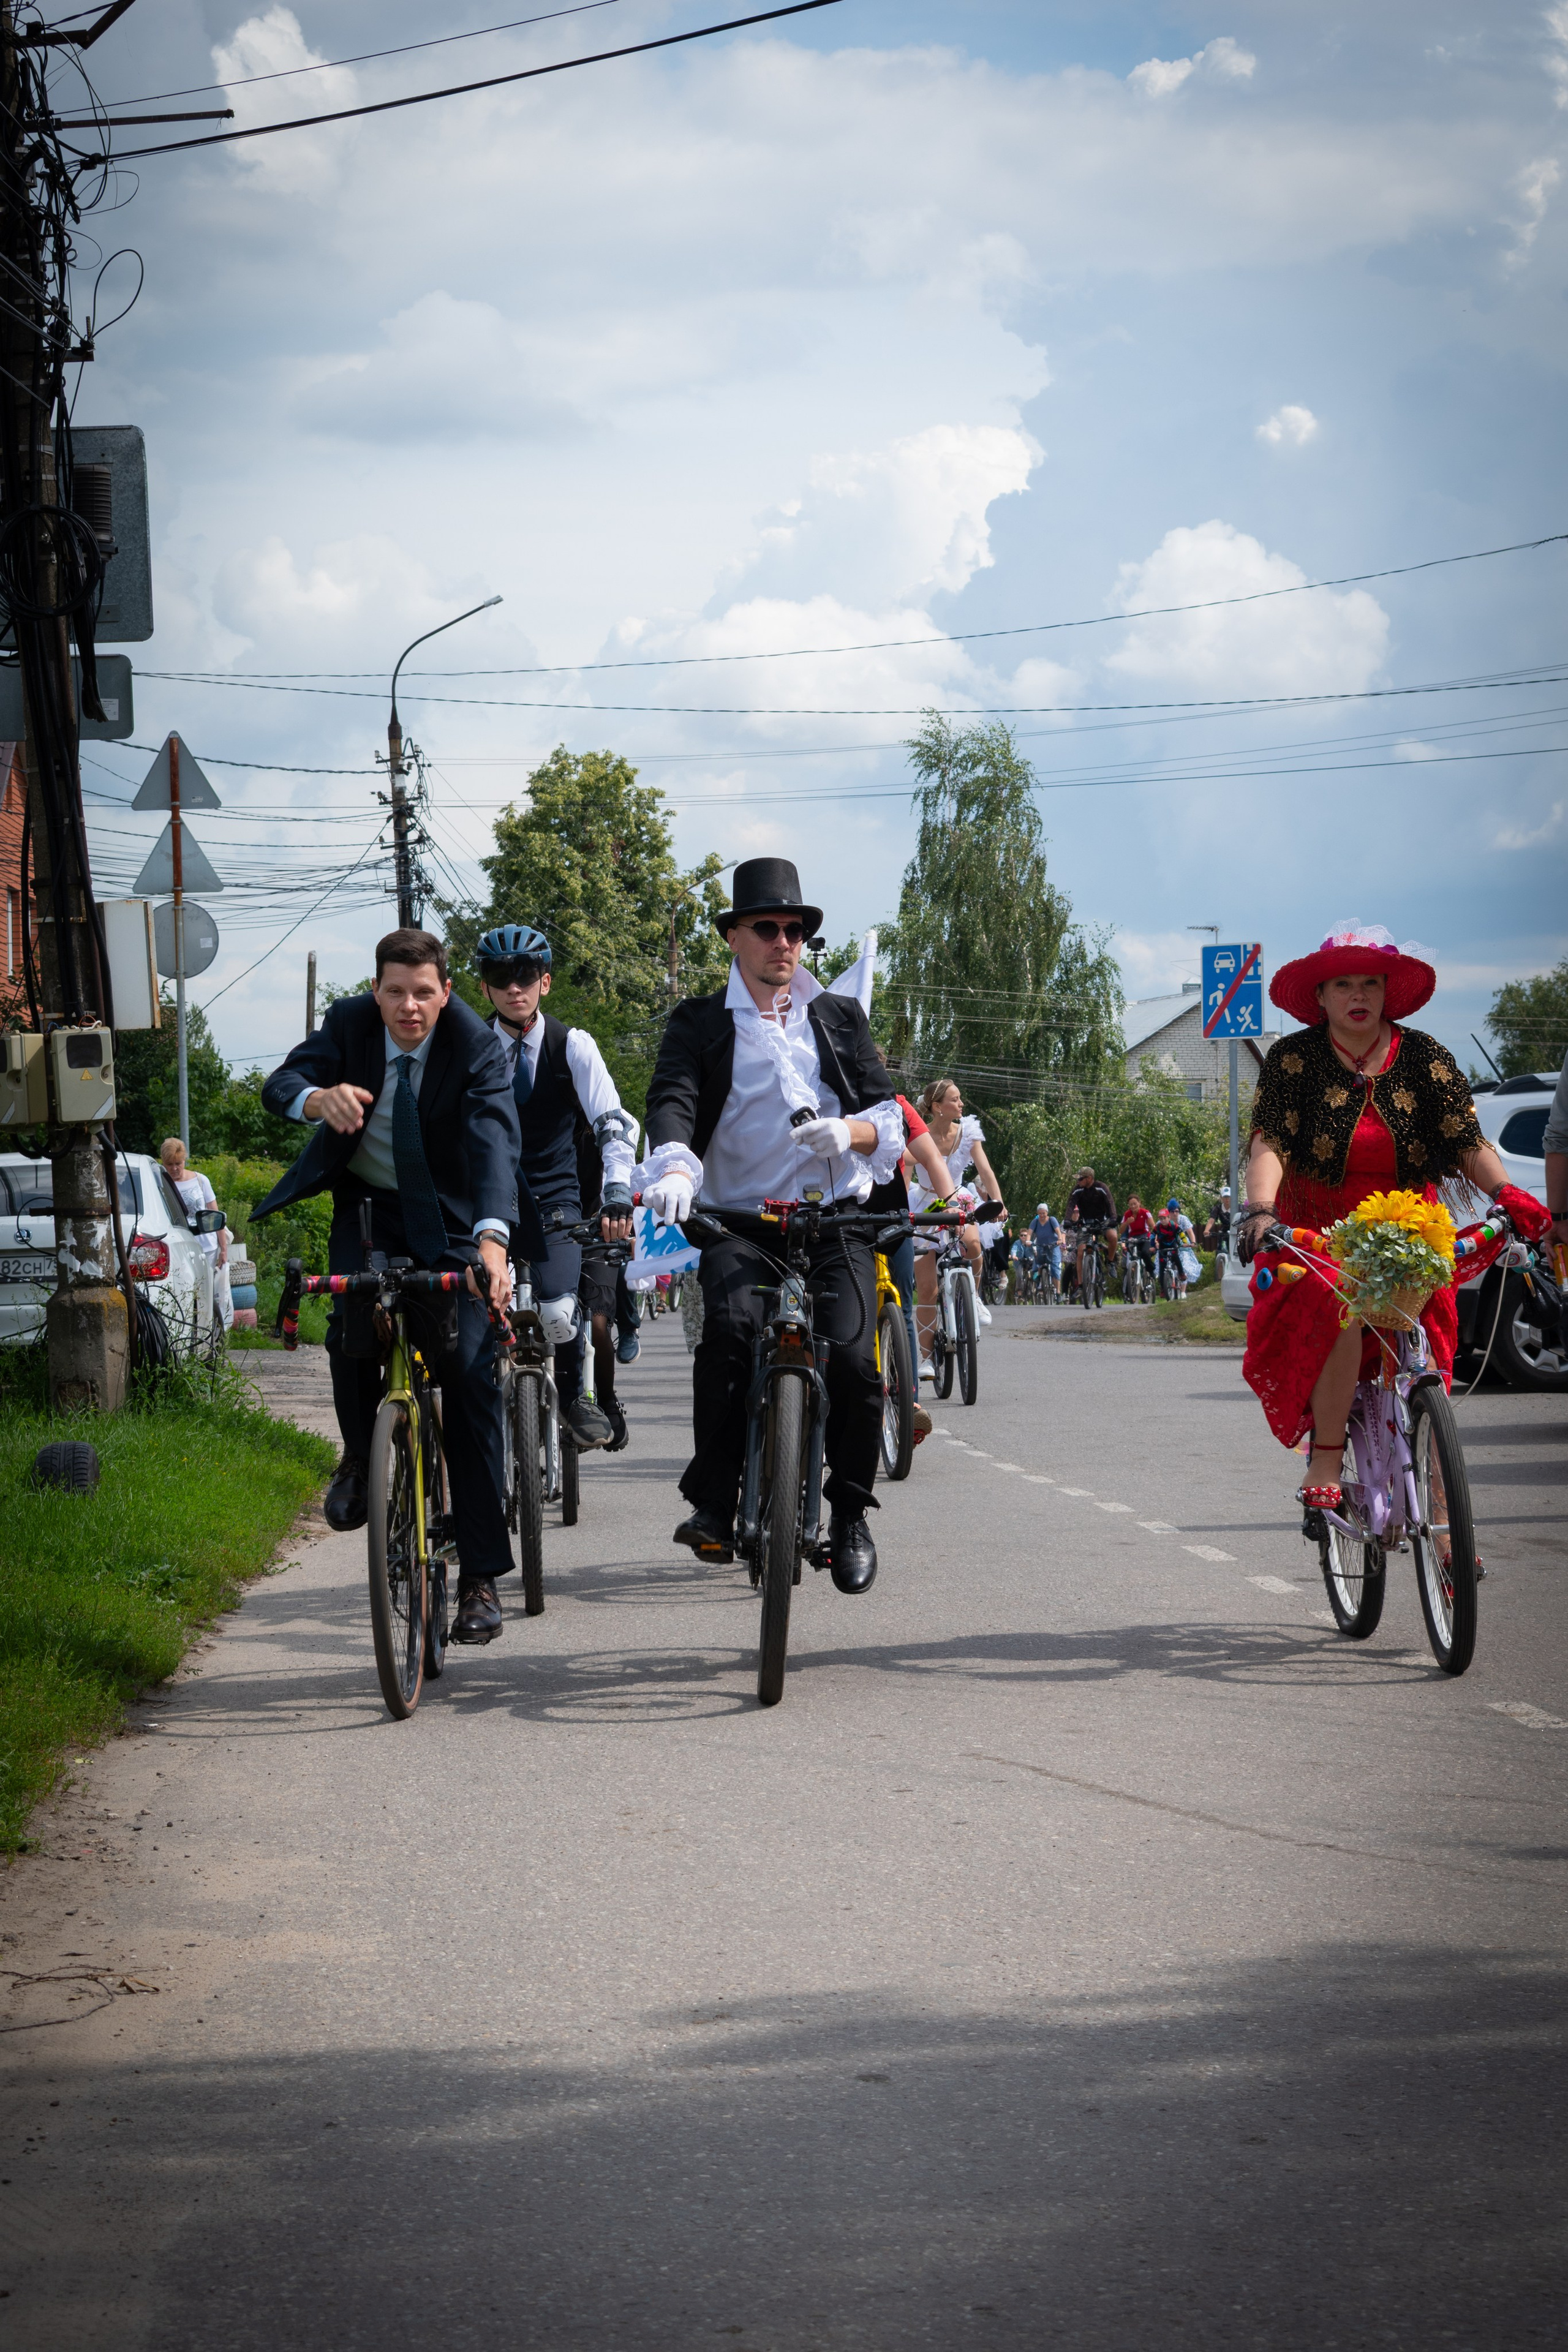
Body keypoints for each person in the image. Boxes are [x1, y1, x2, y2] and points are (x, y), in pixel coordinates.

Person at [641, 856, 905, 1593]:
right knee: (726, 1335)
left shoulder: (838, 1017)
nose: (783, 942)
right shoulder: (699, 1022)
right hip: (741, 1223)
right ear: (734, 937)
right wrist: (670, 1166)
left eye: (795, 930)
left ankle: (849, 1515)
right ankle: (715, 1504)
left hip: (836, 1223)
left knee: (854, 1364)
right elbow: (674, 1100)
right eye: (767, 928)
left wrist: (847, 1134)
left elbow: (887, 1115)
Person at [255, 928, 520, 1645]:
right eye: (395, 992)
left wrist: (493, 1243)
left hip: (456, 1217)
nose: (409, 1007)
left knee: (468, 1379)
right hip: (369, 1211)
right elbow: (278, 1083)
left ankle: (480, 1580)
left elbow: (495, 1141)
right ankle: (356, 1457)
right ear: (376, 991)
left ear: (447, 993)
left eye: (424, 993)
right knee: (349, 1330)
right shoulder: (347, 1023)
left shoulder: (476, 1046)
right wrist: (318, 1100)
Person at [1235, 924, 1548, 1510]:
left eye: (1371, 984)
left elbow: (1466, 1142)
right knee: (1341, 1311)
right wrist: (1259, 1209)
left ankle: (1439, 1503)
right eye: (1345, 984)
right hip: (1321, 1229)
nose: (1359, 995)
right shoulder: (1292, 1060)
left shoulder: (1425, 1056)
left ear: (1386, 992)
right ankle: (1328, 1454)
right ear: (1322, 996)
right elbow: (1270, 1143)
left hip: (1411, 1224)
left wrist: (1509, 1193)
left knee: (1427, 1344)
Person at [473, 924, 637, 1452]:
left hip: (557, 1199)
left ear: (545, 983)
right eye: (501, 977)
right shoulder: (470, 1048)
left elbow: (613, 1122)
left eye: (525, 976)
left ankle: (576, 1398)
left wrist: (616, 1190)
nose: (514, 988)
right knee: (468, 1324)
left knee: (561, 1315)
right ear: (485, 989)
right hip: (486, 1202)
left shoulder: (574, 1047)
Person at [864, 1055, 948, 1436]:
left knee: (904, 1304)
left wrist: (954, 1203)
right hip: (843, 1219)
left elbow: (932, 1157)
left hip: (892, 1216)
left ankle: (909, 1400)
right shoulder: (832, 1101)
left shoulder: (898, 1106)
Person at [908, 1079, 1005, 1374]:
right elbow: (905, 1169)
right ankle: (925, 1359)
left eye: (960, 1098)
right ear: (937, 1107)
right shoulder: (916, 1135)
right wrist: (899, 1207)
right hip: (925, 1201)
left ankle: (973, 1297)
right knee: (927, 1290)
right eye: (955, 1099)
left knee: (973, 1243)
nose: (962, 1103)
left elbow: (984, 1170)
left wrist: (999, 1201)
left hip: (959, 1197)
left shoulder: (968, 1132)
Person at [159, 1136, 230, 1321]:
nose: (175, 1169)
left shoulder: (201, 1181)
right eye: (170, 1164)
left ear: (184, 1160)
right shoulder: (161, 1184)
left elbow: (215, 1214)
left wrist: (224, 1249)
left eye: (178, 1163)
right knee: (185, 1290)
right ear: (163, 1163)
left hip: (207, 1247)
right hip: (179, 1248)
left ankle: (208, 1328)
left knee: (206, 1292)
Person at [1066, 1166, 1118, 1292]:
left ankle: (1110, 1262)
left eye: (1081, 1179)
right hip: (1085, 1222)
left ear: (1089, 1178)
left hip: (1103, 1221)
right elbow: (1071, 1204)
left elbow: (1110, 1203)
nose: (1078, 1182)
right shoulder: (1078, 1189)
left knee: (1113, 1236)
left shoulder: (1101, 1187)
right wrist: (1067, 1220)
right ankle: (1081, 1285)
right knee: (1080, 1252)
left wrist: (1113, 1219)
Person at [1153, 1195, 1195, 1296]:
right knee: (1160, 1265)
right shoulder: (1161, 1222)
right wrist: (1156, 1243)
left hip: (1181, 1244)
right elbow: (1155, 1235)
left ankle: (1183, 1291)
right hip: (1165, 1244)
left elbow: (1190, 1232)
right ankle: (1164, 1288)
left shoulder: (1183, 1219)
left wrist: (1192, 1243)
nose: (1175, 1214)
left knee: (1184, 1264)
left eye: (1177, 1211)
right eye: (1172, 1212)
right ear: (1168, 1213)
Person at [1120, 1194, 1155, 1289]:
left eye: (1135, 1204)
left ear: (1139, 1203)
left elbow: (1153, 1226)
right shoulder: (1127, 1214)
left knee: (1145, 1253)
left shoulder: (1145, 1212)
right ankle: (1131, 1283)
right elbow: (1121, 1231)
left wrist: (1155, 1237)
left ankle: (1151, 1271)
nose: (1133, 1206)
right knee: (1131, 1259)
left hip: (1144, 1237)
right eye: (1131, 1205)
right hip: (1133, 1238)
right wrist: (1127, 1222)